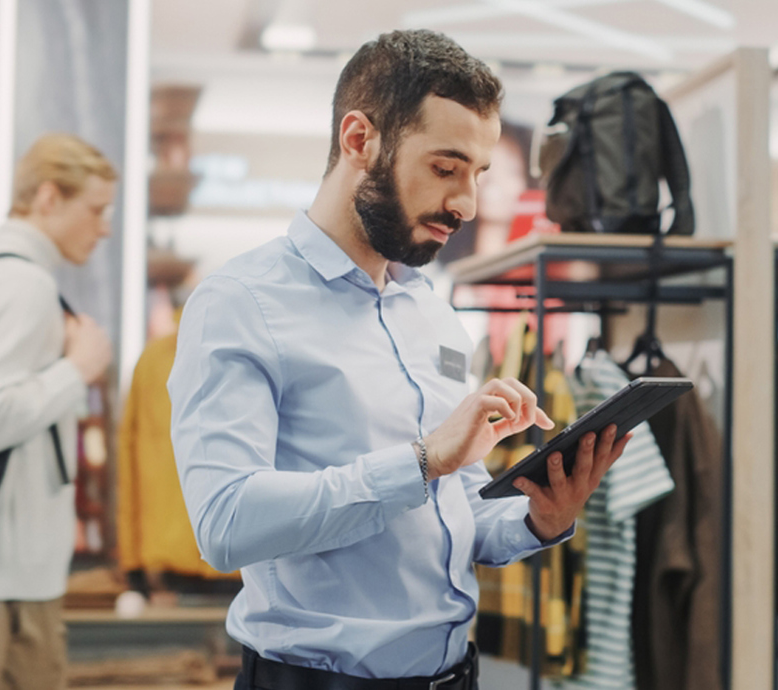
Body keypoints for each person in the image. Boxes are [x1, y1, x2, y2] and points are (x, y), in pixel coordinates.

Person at [168, 30, 631, 690]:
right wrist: (422, 460)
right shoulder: (239, 303)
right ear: (360, 141)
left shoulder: (430, 313)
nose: (466, 204)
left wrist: (537, 518)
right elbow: (225, 521)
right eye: (445, 169)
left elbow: (452, 507)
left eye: (477, 175)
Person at [0, 133, 116, 690]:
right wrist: (76, 370)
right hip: (0, 574)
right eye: (96, 209)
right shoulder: (22, 282)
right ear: (47, 199)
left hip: (1, 568)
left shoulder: (4, 272)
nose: (104, 227)